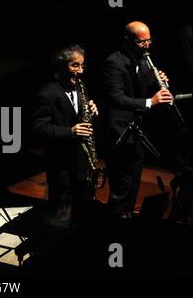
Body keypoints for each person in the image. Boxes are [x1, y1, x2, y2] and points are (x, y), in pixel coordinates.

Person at [102, 21, 173, 218]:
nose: (147, 45)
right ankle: (113, 227)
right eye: (142, 42)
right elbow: (116, 98)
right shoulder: (114, 62)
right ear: (128, 41)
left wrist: (159, 81)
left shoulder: (143, 61)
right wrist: (151, 101)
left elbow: (143, 87)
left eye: (149, 40)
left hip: (137, 132)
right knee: (121, 185)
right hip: (118, 132)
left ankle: (127, 220)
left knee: (134, 180)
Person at [32, 44, 99, 226]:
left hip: (80, 161)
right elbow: (39, 129)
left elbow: (77, 114)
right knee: (60, 215)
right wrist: (70, 131)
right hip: (61, 164)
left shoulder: (79, 87)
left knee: (80, 210)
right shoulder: (47, 94)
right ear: (62, 67)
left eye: (82, 66)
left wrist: (89, 109)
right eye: (75, 66)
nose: (80, 71)